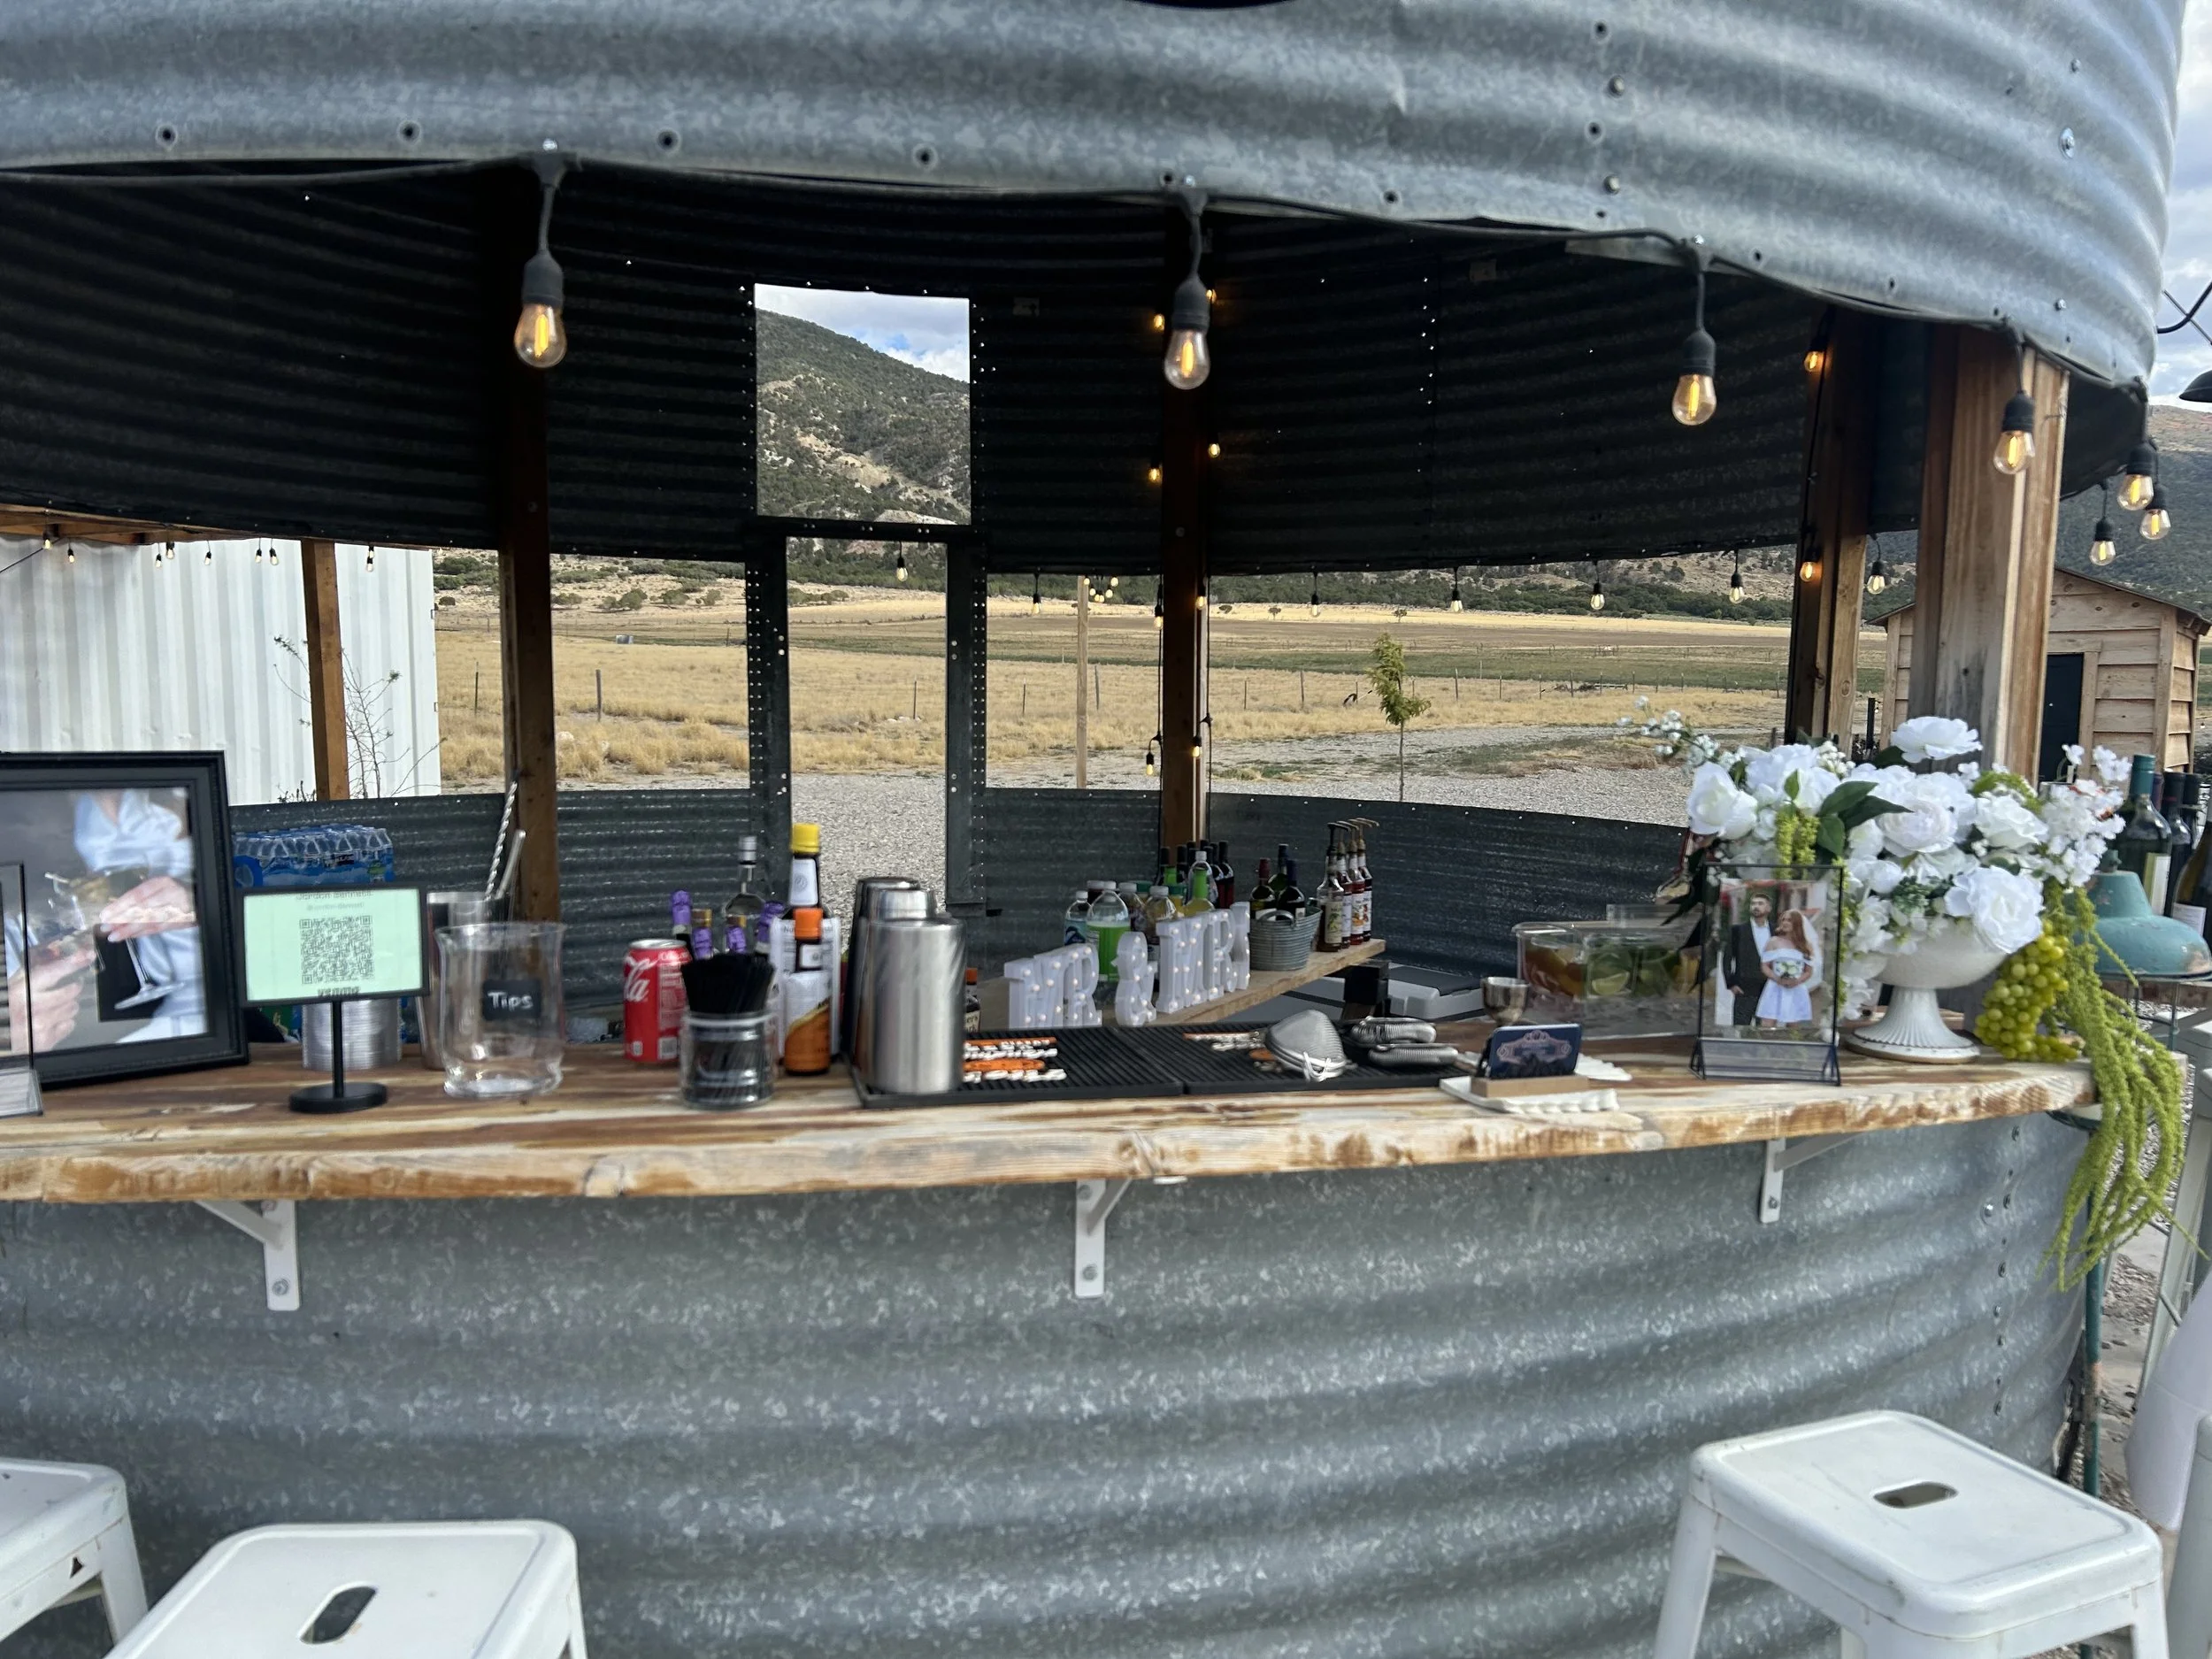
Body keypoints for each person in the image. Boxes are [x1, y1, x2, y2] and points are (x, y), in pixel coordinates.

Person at [1756, 909, 1819, 1029]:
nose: (1785, 923)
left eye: (1789, 920)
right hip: (1775, 987)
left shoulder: (1805, 945)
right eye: (1783, 920)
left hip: (1795, 988)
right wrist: (1776, 978)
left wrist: (1797, 981)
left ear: (1797, 923)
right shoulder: (1773, 942)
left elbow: (1808, 971)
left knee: (1793, 1025)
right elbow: (1764, 965)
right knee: (1767, 1024)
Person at [1723, 889, 1772, 1027]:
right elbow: (1727, 958)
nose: (1756, 906)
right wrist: (1731, 983)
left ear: (1768, 908)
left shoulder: (1776, 931)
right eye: (1753, 904)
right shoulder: (1738, 930)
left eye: (1761, 903)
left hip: (1768, 988)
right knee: (1740, 1027)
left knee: (1764, 1030)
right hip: (1744, 988)